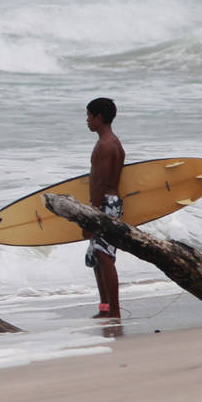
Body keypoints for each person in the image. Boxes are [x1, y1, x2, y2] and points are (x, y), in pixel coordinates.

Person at [84, 97, 125, 319]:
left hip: (105, 205)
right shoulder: (112, 142)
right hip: (108, 203)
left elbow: (101, 182)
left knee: (105, 256)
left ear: (99, 117)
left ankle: (114, 311)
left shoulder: (105, 145)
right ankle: (105, 308)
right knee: (99, 257)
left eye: (89, 116)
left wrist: (92, 215)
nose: (87, 120)